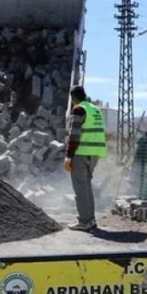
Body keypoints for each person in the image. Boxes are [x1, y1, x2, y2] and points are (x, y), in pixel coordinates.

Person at [63, 86, 107, 231]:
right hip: (95, 154)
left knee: (80, 188)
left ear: (73, 98)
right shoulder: (96, 110)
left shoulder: (79, 109)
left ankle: (84, 221)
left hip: (81, 153)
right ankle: (90, 220)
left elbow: (74, 135)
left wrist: (69, 156)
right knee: (86, 186)